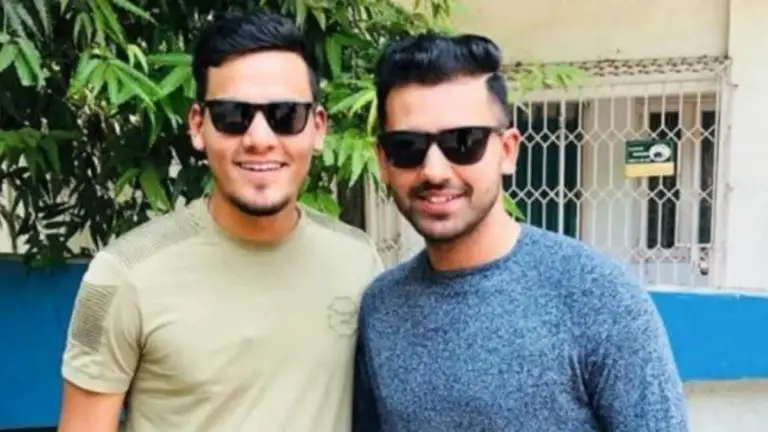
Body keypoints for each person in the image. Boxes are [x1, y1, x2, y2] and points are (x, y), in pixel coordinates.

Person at [58, 11, 383, 432]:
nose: (260, 139)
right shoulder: (121, 275)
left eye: (286, 115)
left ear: (317, 128)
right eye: (233, 115)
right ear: (198, 126)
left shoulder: (358, 261)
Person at [353, 33, 689, 431]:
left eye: (463, 142)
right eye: (407, 146)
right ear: (384, 161)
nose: (434, 171)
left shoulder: (597, 295)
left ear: (508, 150)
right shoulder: (382, 307)